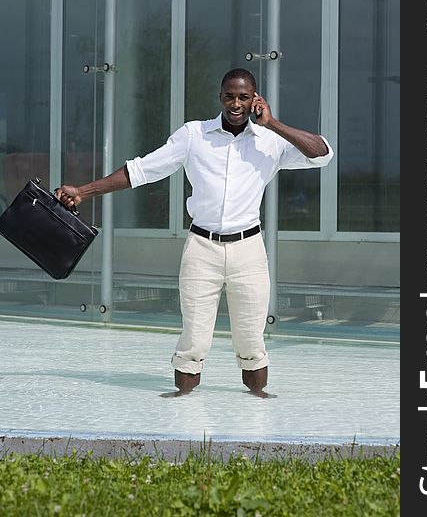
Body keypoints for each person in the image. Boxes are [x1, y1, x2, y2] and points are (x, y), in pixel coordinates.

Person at [56, 68, 333, 398]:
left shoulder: (270, 142)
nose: (235, 103)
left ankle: (258, 409)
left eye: (243, 97)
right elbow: (141, 170)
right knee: (194, 338)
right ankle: (182, 407)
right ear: (220, 97)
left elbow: (322, 154)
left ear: (255, 100)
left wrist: (272, 123)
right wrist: (84, 192)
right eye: (229, 95)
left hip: (249, 250)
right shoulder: (194, 136)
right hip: (202, 248)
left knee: (251, 338)